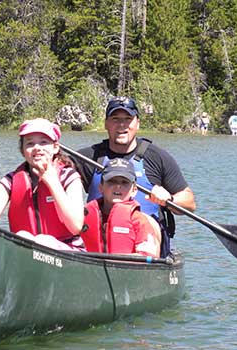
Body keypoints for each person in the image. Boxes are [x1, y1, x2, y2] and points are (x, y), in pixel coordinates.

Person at [73, 96, 196, 257]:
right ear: (106, 124)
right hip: (97, 247)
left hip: (146, 245)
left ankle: (142, 261)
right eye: (115, 119)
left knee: (147, 224)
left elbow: (190, 203)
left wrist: (170, 201)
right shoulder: (88, 157)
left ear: (137, 123)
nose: (122, 125)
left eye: (128, 119)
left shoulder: (157, 157)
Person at [0, 118, 85, 251]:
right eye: (30, 143)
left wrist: (52, 182)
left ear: (55, 147)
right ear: (22, 150)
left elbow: (76, 226)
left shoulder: (69, 177)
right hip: (26, 250)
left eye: (44, 142)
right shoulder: (9, 181)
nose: (37, 148)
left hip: (68, 252)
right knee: (23, 236)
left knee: (43, 241)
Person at [81, 158, 161, 257]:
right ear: (101, 187)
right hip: (90, 267)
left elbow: (147, 255)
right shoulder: (83, 215)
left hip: (125, 269)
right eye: (112, 181)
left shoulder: (140, 221)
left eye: (124, 182)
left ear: (134, 190)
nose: (118, 186)